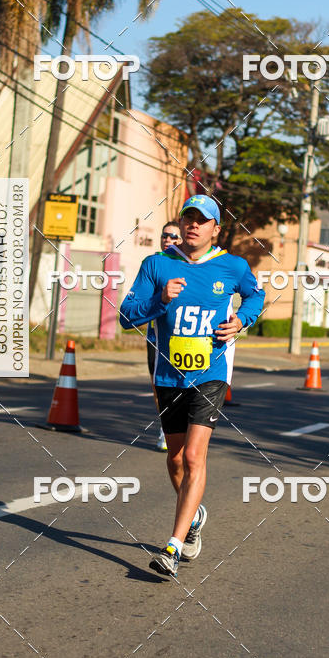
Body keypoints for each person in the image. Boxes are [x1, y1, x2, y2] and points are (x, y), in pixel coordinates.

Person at [120, 194, 265, 578]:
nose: (193, 225)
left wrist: (242, 320)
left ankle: (172, 546)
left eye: (202, 220)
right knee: (175, 458)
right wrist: (158, 299)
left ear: (216, 229)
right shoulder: (157, 264)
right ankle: (195, 515)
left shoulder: (232, 266)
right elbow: (125, 315)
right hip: (168, 375)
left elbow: (257, 295)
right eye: (188, 217)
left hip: (211, 372)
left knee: (194, 458)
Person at [147, 222, 182, 451]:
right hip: (156, 336)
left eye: (173, 236)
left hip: (183, 336)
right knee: (158, 386)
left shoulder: (191, 265)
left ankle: (183, 428)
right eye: (164, 235)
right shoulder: (153, 265)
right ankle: (165, 428)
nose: (168, 238)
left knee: (183, 386)